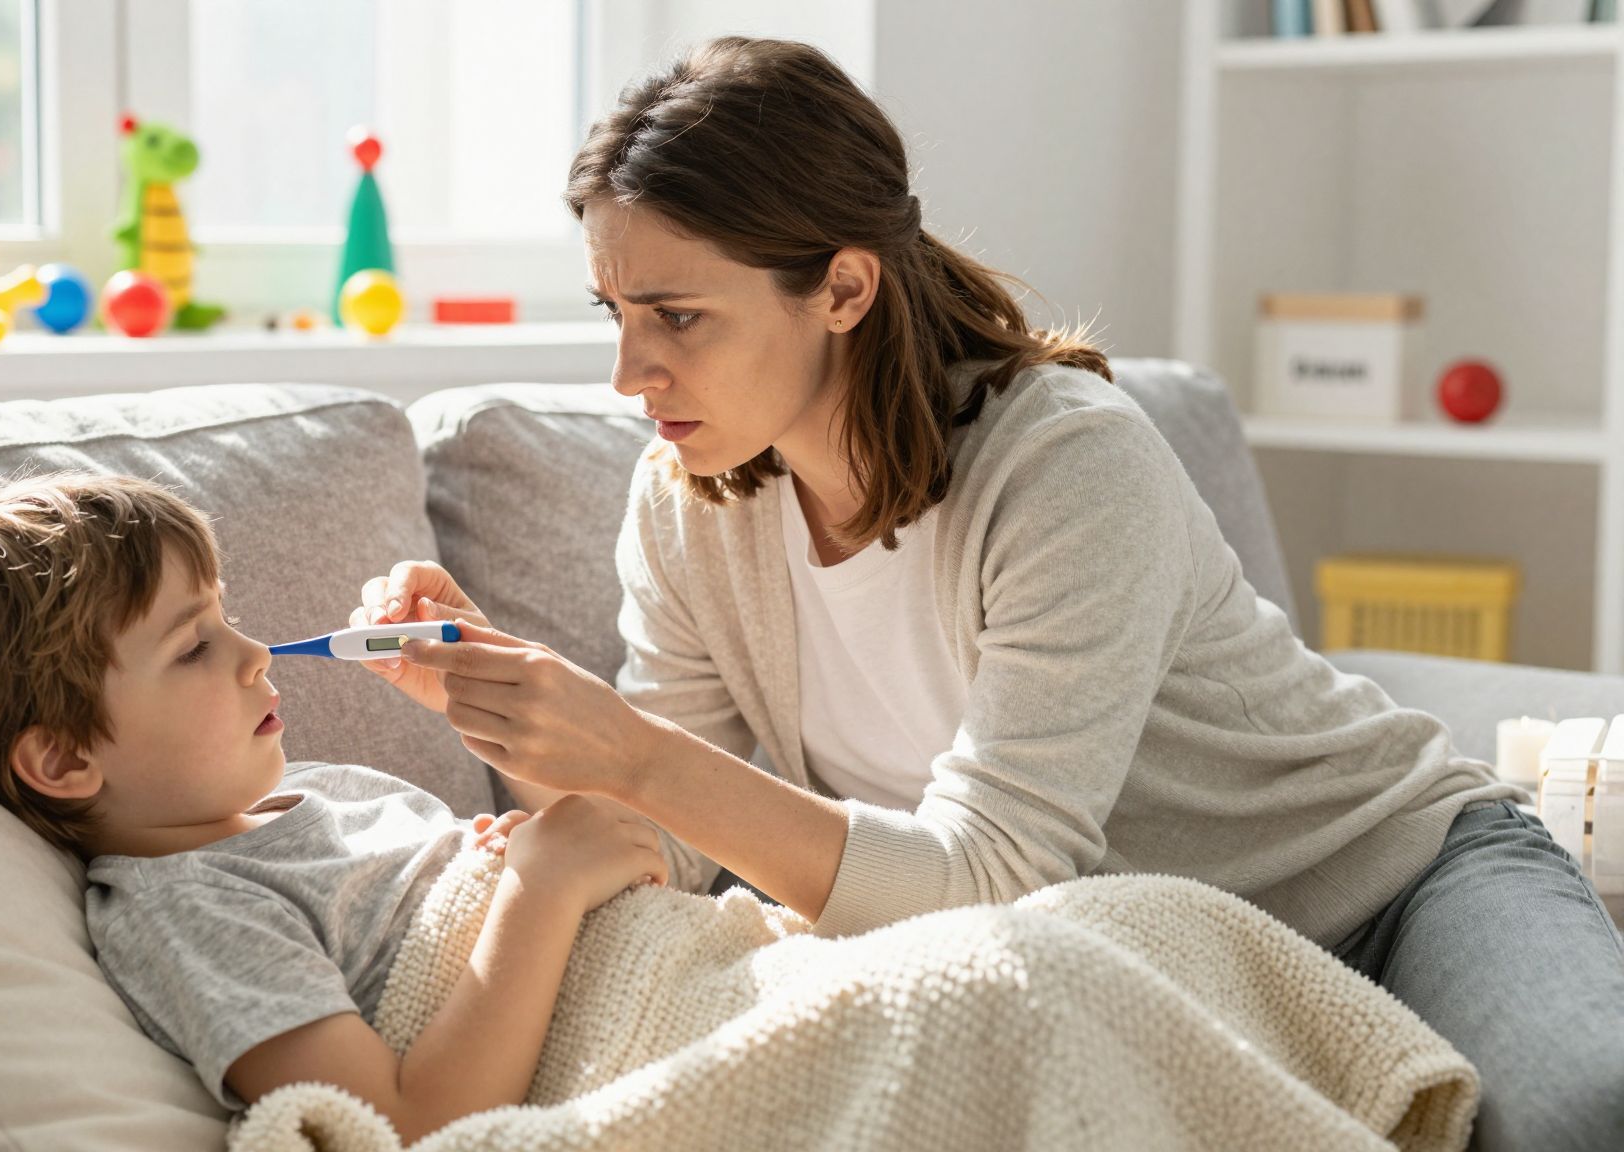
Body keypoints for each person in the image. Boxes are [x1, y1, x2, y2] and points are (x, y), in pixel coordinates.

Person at [356, 36, 1624, 1151]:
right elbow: (677, 841)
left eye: (676, 316)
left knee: (1582, 1116)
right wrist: (499, 697)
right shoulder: (687, 505)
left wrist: (634, 759)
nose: (631, 371)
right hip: (1171, 968)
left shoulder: (1064, 461)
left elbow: (993, 882)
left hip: (1389, 885)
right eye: (615, 311)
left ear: (843, 289)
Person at [0, 473, 667, 1141]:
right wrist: (537, 891)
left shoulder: (335, 789)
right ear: (64, 758)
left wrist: (506, 765)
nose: (255, 653)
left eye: (227, 618)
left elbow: (632, 849)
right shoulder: (186, 909)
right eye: (193, 646)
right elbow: (405, 1128)